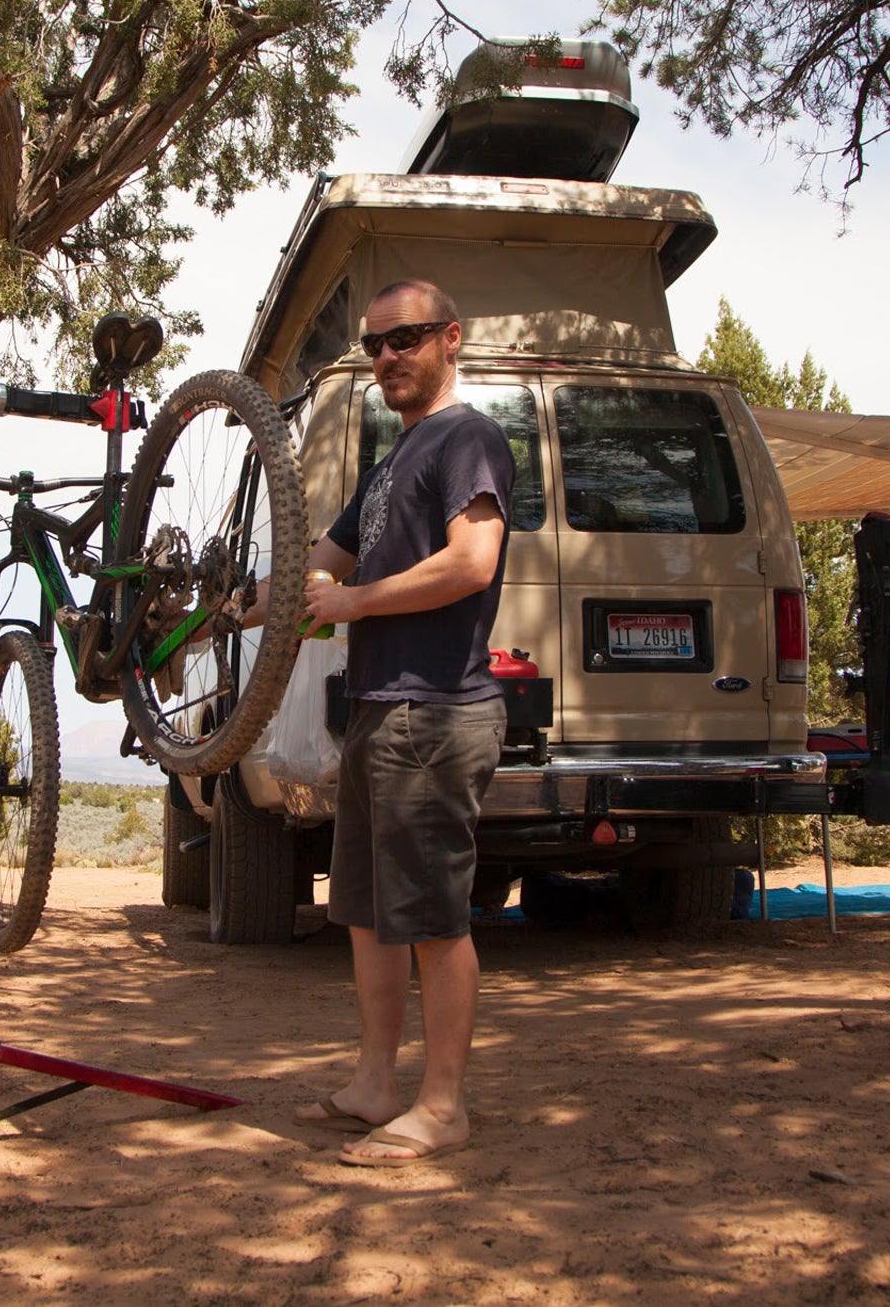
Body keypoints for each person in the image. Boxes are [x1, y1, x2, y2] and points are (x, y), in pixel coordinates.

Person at [293, 278, 514, 1167]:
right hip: (377, 712)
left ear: (449, 339)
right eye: (375, 344)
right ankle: (376, 1084)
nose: (387, 357)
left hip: (435, 713)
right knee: (367, 912)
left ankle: (444, 1106)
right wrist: (261, 604)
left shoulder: (469, 438)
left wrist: (352, 602)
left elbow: (471, 561)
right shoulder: (391, 460)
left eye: (406, 339)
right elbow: (319, 571)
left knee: (431, 918)